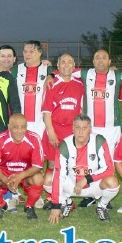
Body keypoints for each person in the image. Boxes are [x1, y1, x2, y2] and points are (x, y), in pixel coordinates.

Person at [48, 115, 119, 224]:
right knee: (49, 179)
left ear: (90, 129)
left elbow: (109, 169)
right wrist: (55, 205)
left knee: (113, 182)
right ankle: (66, 202)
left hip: (94, 185)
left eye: (84, 128)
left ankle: (102, 206)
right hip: (72, 185)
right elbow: (59, 175)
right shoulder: (65, 145)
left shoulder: (99, 141)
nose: (81, 131)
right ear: (73, 129)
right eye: (77, 127)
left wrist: (87, 179)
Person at [78, 49, 122, 208]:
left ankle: (106, 194)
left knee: (107, 162)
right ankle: (91, 194)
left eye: (104, 57)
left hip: (111, 127)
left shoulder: (118, 76)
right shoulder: (84, 73)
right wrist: (50, 73)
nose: (101, 60)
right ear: (93, 61)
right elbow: (64, 70)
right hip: (90, 127)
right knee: (90, 161)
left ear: (110, 62)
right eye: (97, 57)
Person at [42, 54, 84, 209]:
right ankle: (51, 197)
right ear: (57, 65)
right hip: (55, 128)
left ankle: (64, 197)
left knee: (69, 165)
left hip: (72, 131)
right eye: (63, 62)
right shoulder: (52, 83)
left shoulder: (79, 84)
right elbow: (46, 112)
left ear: (74, 66)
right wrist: (51, 132)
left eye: (70, 62)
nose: (66, 65)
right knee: (52, 163)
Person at [0, 113, 44, 220]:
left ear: (27, 127)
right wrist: (6, 180)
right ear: (9, 127)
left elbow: (38, 166)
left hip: (25, 174)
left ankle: (29, 206)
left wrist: (20, 176)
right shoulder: (0, 139)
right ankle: (2, 205)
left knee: (39, 178)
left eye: (23, 127)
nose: (19, 131)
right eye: (15, 127)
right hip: (5, 174)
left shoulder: (34, 138)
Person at [10, 40, 53, 136]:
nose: (27, 54)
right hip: (20, 122)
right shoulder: (15, 70)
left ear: (40, 53)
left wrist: (52, 74)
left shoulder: (49, 70)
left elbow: (66, 72)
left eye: (31, 52)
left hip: (42, 123)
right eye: (25, 51)